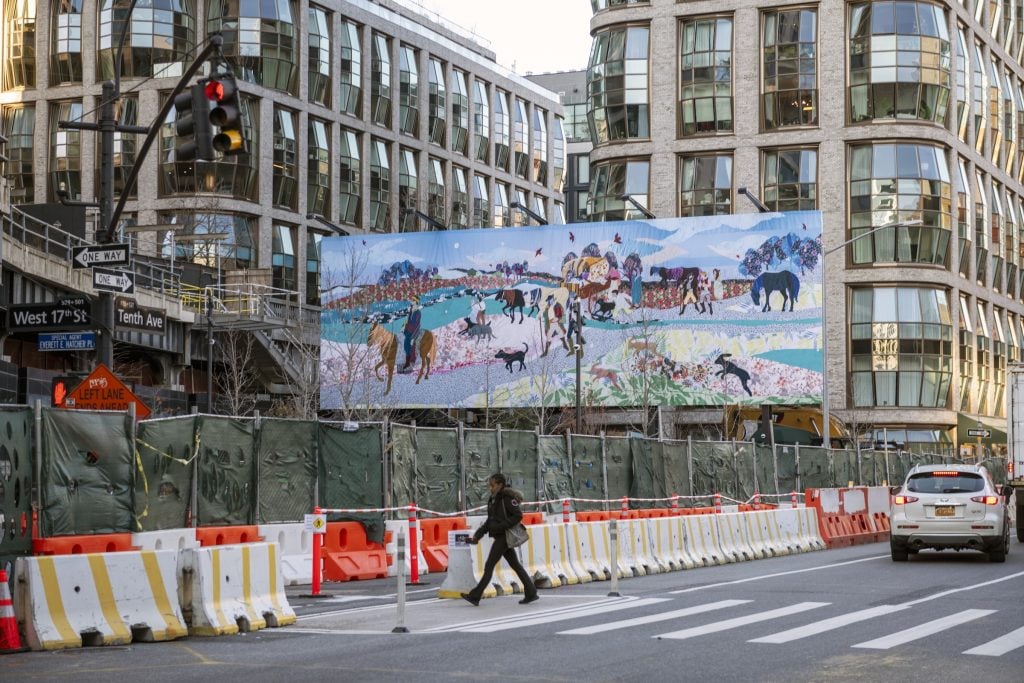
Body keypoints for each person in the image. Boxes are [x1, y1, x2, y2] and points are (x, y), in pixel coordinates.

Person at [461, 473, 539, 606]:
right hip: (499, 536)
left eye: (492, 485)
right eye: (490, 486)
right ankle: (531, 592)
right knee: (515, 565)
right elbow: (489, 522)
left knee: (489, 566)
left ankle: (475, 595)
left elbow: (518, 515)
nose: (490, 488)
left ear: (500, 485)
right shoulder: (493, 499)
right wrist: (478, 536)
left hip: (503, 537)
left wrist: (501, 526)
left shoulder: (506, 498)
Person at [399, 296, 422, 373]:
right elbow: (407, 321)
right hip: (408, 331)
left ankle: (411, 364)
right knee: (406, 347)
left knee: (412, 348)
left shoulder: (418, 312)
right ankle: (407, 362)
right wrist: (403, 327)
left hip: (413, 333)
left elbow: (417, 325)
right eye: (412, 300)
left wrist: (414, 337)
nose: (411, 301)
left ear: (416, 302)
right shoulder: (411, 311)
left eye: (413, 300)